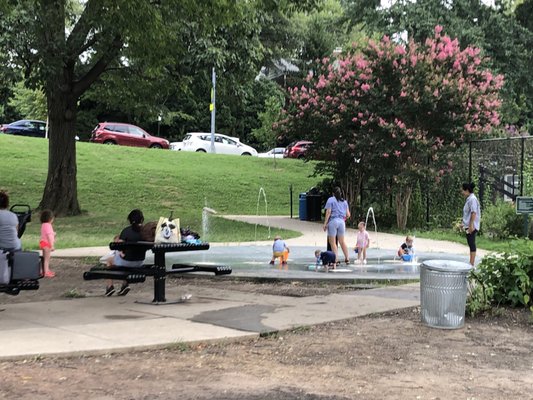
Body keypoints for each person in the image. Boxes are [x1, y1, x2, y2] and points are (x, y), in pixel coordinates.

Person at [105, 209, 145, 296]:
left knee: (109, 260)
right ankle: (124, 285)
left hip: (127, 262)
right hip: (140, 262)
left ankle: (110, 286)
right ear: (142, 219)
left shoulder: (126, 231)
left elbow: (119, 247)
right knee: (127, 259)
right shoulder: (145, 231)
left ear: (130, 220)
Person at [323, 187, 351, 267]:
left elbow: (328, 212)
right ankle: (347, 258)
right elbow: (348, 215)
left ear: (333, 193)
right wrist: (343, 219)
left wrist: (325, 223)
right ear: (341, 193)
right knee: (342, 241)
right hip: (342, 222)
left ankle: (336, 259)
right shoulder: (344, 202)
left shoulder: (330, 200)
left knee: (333, 242)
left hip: (333, 222)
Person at [461, 182, 481, 266]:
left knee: (472, 243)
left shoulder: (472, 199)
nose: (462, 192)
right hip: (469, 225)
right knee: (470, 243)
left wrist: (471, 225)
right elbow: (467, 213)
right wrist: (463, 223)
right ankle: (471, 262)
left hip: (472, 226)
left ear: (467, 190)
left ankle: (472, 263)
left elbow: (473, 213)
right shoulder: (469, 199)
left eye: (463, 190)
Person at [40, 209, 56, 278]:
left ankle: (43, 270)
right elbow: (49, 236)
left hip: (43, 242)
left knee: (44, 258)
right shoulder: (49, 225)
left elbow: (46, 234)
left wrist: (53, 234)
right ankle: (46, 272)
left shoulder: (43, 225)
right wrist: (52, 245)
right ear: (50, 218)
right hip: (47, 244)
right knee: (47, 259)